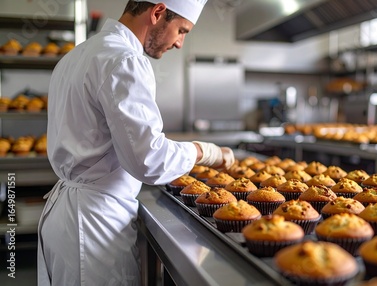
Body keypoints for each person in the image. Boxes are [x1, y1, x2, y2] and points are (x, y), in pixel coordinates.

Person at [37, 0, 235, 285]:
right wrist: (205, 151)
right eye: (182, 30)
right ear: (157, 12)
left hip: (69, 217)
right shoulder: (124, 60)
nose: (180, 43)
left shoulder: (77, 55)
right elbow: (148, 159)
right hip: (94, 226)